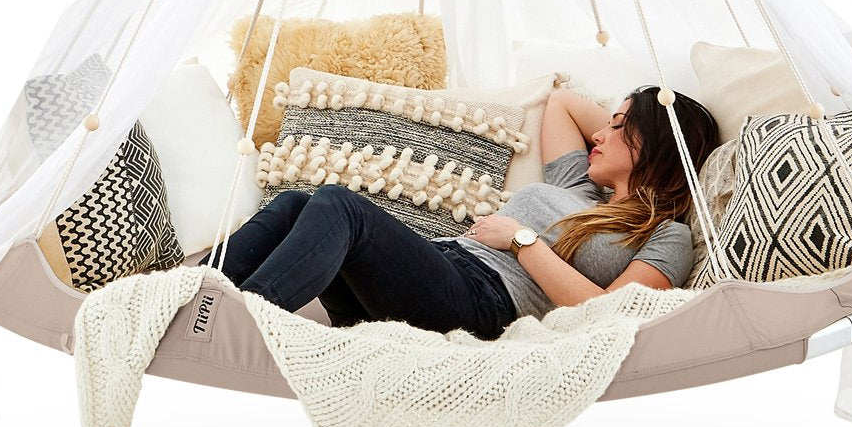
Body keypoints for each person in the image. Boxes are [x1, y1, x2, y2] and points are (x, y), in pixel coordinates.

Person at [198, 83, 719, 340]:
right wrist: (633, 122)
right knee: (297, 202)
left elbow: (612, 313)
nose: (599, 133)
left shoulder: (667, 236)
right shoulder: (578, 186)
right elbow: (561, 101)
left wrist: (523, 241)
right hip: (436, 274)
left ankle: (229, 328)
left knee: (341, 205)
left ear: (654, 144)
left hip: (481, 302)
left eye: (618, 125)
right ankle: (191, 294)